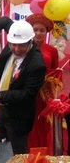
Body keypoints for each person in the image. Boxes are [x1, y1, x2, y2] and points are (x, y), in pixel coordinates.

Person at [0, 18, 46, 154]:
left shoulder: (37, 64)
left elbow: (27, 94)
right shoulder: (17, 32)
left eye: (21, 46)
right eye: (13, 45)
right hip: (1, 109)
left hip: (19, 115)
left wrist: (0, 95)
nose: (16, 49)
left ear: (30, 42)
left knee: (17, 153)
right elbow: (4, 21)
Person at [25, 14, 60, 153]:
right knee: (29, 122)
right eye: (35, 30)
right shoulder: (24, 47)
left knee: (44, 123)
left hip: (45, 95)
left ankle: (44, 153)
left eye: (42, 30)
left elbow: (55, 72)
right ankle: (27, 153)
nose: (38, 33)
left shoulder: (52, 50)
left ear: (47, 32)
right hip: (28, 93)